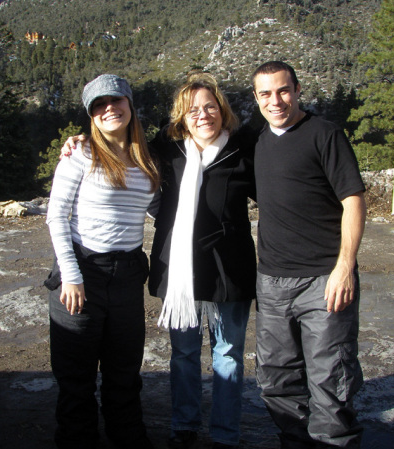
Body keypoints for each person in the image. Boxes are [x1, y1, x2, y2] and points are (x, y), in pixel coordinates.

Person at [252, 61, 366, 449]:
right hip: (271, 283)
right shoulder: (256, 141)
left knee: (331, 383)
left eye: (283, 90)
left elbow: (353, 199)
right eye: (266, 93)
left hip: (323, 280)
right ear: (256, 98)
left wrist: (345, 268)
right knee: (276, 380)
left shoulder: (324, 134)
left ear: (298, 90)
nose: (276, 100)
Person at [46, 74, 160, 449]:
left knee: (124, 373)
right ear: (91, 116)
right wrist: (71, 276)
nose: (109, 108)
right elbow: (56, 216)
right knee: (76, 377)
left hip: (127, 276)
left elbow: (163, 211)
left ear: (130, 104)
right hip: (83, 273)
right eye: (98, 104)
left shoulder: (147, 162)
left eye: (115, 100)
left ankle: (129, 439)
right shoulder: (80, 154)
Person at [148, 73, 257, 449]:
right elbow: (123, 154)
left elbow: (279, 186)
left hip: (230, 268)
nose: (203, 114)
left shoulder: (243, 149)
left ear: (222, 109)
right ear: (181, 115)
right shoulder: (166, 148)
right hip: (180, 270)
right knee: (184, 353)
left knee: (228, 354)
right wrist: (77, 144)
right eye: (192, 109)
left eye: (210, 106)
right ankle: (185, 425)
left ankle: (225, 434)